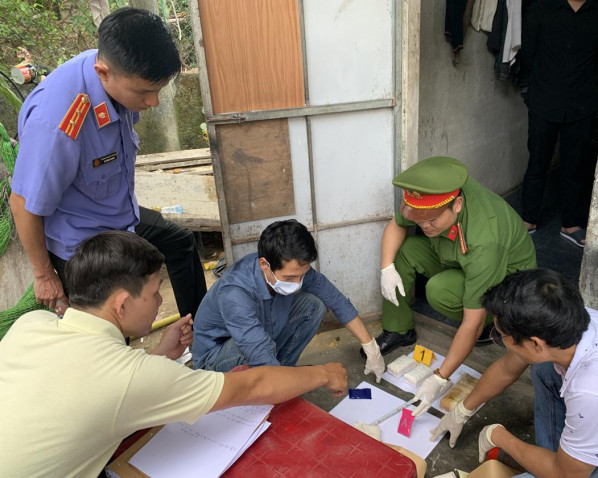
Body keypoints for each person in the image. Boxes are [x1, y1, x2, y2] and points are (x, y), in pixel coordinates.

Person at [0, 231, 348, 477]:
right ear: (122, 304)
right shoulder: (133, 375)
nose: (159, 301)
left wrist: (160, 355)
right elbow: (252, 385)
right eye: (155, 292)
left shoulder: (31, 324)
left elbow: (89, 385)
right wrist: (324, 372)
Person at [9, 7, 206, 318]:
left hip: (118, 217)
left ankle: (202, 330)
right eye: (145, 92)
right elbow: (22, 204)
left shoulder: (117, 68)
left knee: (179, 242)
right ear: (103, 73)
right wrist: (44, 275)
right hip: (82, 245)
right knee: (115, 323)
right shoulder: (57, 124)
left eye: (158, 90)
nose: (153, 102)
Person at [431, 269, 598, 478]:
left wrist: (500, 437)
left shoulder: (594, 392)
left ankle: (553, 461)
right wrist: (463, 409)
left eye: (501, 336)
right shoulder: (570, 322)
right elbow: (506, 368)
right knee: (544, 368)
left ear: (535, 344)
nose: (500, 339)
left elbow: (566, 475)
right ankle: (551, 456)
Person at [373, 156, 536, 416]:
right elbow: (397, 225)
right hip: (455, 252)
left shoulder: (484, 241)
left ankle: (492, 324)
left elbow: (471, 322)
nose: (423, 226)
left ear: (457, 205)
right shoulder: (436, 195)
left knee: (439, 290)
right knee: (403, 251)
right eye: (419, 220)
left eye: (431, 220)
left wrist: (440, 377)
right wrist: (386, 268)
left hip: (504, 278)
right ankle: (399, 329)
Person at [193, 219, 385, 382]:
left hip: (258, 338)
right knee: (251, 347)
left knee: (313, 306)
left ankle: (283, 376)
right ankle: (279, 384)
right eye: (290, 277)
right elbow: (257, 350)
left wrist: (371, 347)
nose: (297, 283)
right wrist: (318, 377)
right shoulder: (235, 292)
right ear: (264, 265)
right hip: (217, 362)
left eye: (302, 275)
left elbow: (335, 300)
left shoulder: (291, 269)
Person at [519, 0, 598, 247]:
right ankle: (528, 220)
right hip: (544, 97)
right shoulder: (542, 7)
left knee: (576, 166)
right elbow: (529, 52)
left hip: (581, 101)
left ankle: (571, 224)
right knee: (537, 162)